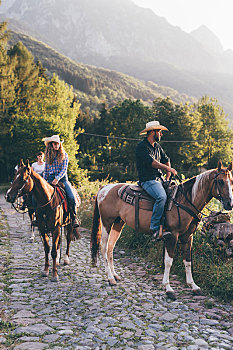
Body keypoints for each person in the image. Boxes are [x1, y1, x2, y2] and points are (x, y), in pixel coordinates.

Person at [136, 121, 177, 240]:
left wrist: (168, 175)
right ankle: (154, 228)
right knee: (161, 197)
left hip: (159, 179)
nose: (161, 134)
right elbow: (153, 163)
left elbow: (166, 159)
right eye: (159, 132)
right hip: (147, 180)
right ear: (152, 132)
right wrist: (168, 168)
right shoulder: (142, 146)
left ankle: (167, 225)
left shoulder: (157, 147)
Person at [42, 135, 79, 228]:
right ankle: (39, 217)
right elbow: (46, 170)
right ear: (51, 145)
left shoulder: (64, 155)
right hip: (50, 178)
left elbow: (64, 169)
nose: (57, 145)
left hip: (62, 179)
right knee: (40, 196)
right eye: (55, 143)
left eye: (58, 143)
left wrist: (57, 178)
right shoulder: (47, 156)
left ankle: (74, 217)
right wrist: (44, 181)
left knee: (71, 197)